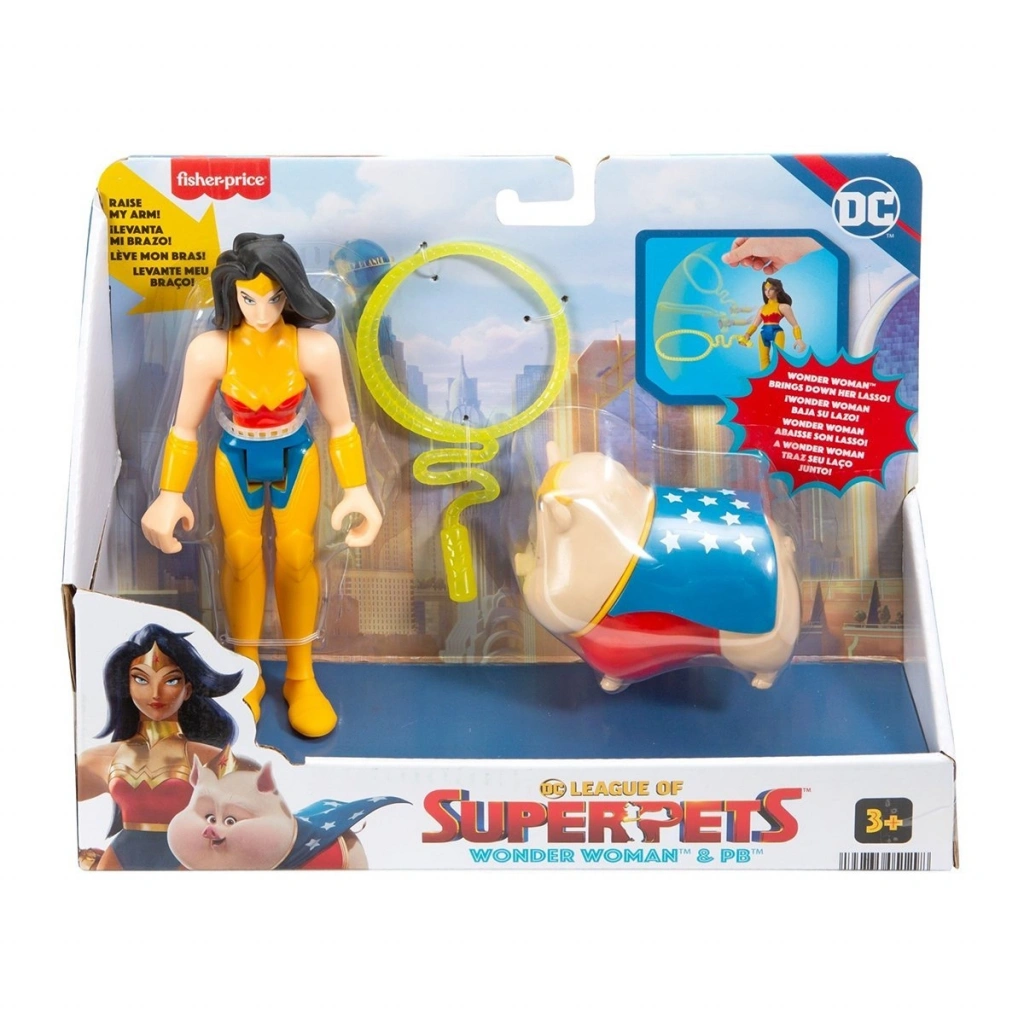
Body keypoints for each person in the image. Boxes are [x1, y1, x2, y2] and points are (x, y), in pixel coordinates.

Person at [141, 233, 382, 737]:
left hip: (296, 453)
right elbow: (183, 428)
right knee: (240, 556)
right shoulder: (211, 350)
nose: (264, 311)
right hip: (235, 454)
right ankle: (244, 673)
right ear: (232, 294)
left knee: (297, 556)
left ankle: (301, 676)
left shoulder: (314, 347)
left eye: (275, 297)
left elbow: (342, 424)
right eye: (249, 299)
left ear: (291, 292)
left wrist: (358, 489)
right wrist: (169, 493)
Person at [76, 624, 242, 870]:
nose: (155, 693)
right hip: (119, 860)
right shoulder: (102, 758)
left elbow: (253, 819)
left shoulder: (212, 758)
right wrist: (79, 856)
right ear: (127, 684)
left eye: (171, 680)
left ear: (187, 690)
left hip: (186, 859)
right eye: (141, 679)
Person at [741, 278, 806, 369]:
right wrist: (747, 334)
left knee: (778, 359)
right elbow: (755, 324)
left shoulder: (783, 307)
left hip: (777, 333)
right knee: (763, 361)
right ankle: (765, 377)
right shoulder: (762, 308)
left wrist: (799, 339)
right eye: (765, 290)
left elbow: (795, 325)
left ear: (777, 290)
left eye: (771, 289)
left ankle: (777, 376)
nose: (767, 292)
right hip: (763, 334)